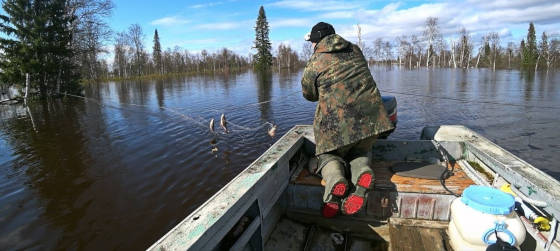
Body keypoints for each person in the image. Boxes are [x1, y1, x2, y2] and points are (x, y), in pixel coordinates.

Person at [301, 22, 394, 218]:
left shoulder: (316, 60)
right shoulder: (355, 49)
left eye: (312, 42)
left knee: (327, 156)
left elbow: (309, 95)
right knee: (360, 150)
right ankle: (362, 173)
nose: (311, 46)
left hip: (337, 129)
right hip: (373, 122)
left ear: (316, 41)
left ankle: (335, 180)